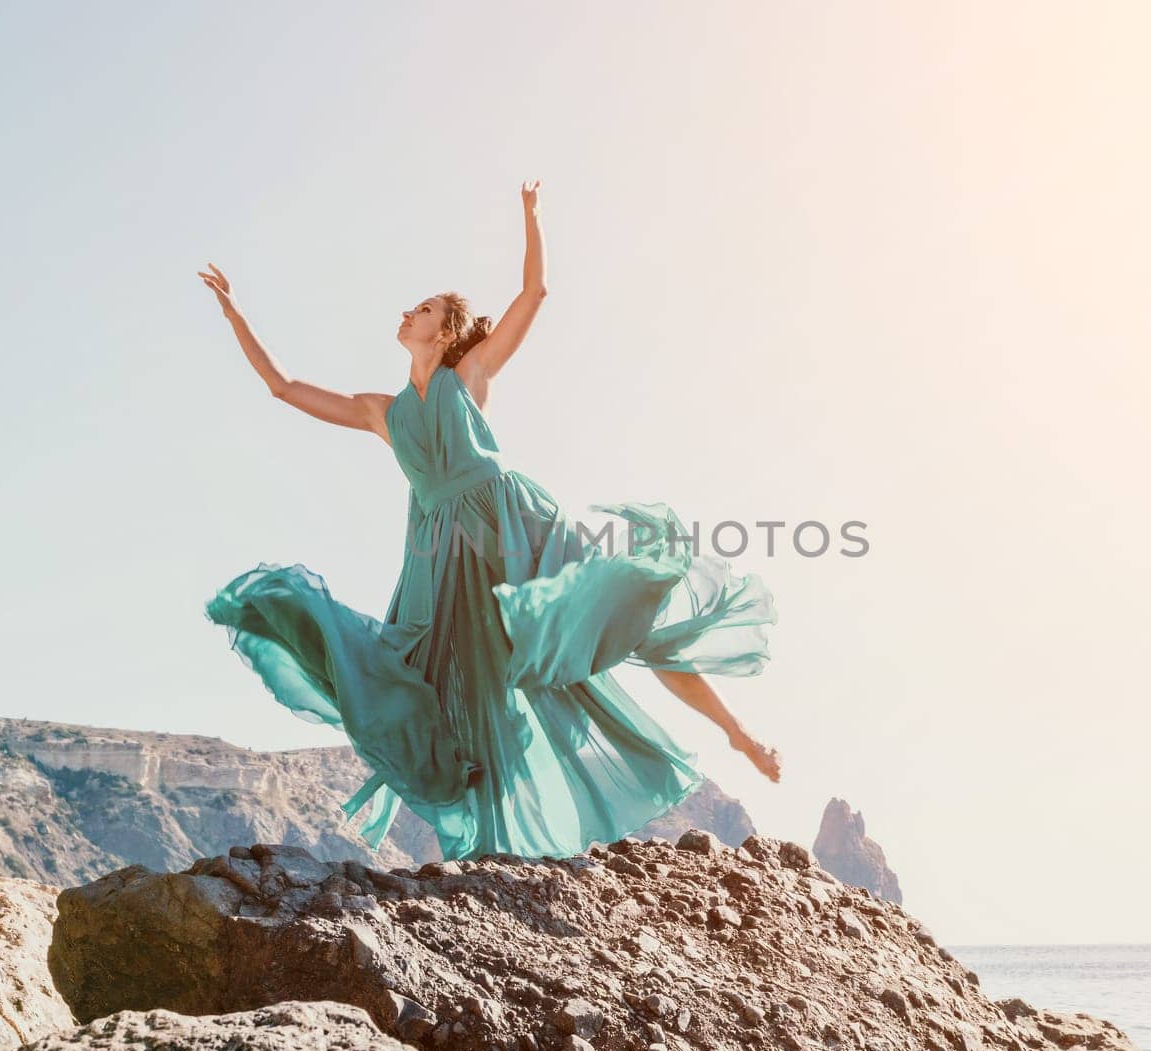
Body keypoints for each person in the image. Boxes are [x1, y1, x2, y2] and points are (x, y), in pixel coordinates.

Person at [198, 180, 781, 861]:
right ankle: (490, 842)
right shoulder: (380, 411)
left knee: (617, 614)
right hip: (440, 558)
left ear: (442, 331)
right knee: (457, 690)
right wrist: (236, 314)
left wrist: (530, 217)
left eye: (422, 308)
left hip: (509, 528)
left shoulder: (469, 373)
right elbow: (284, 387)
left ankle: (736, 733)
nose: (406, 311)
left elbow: (533, 294)